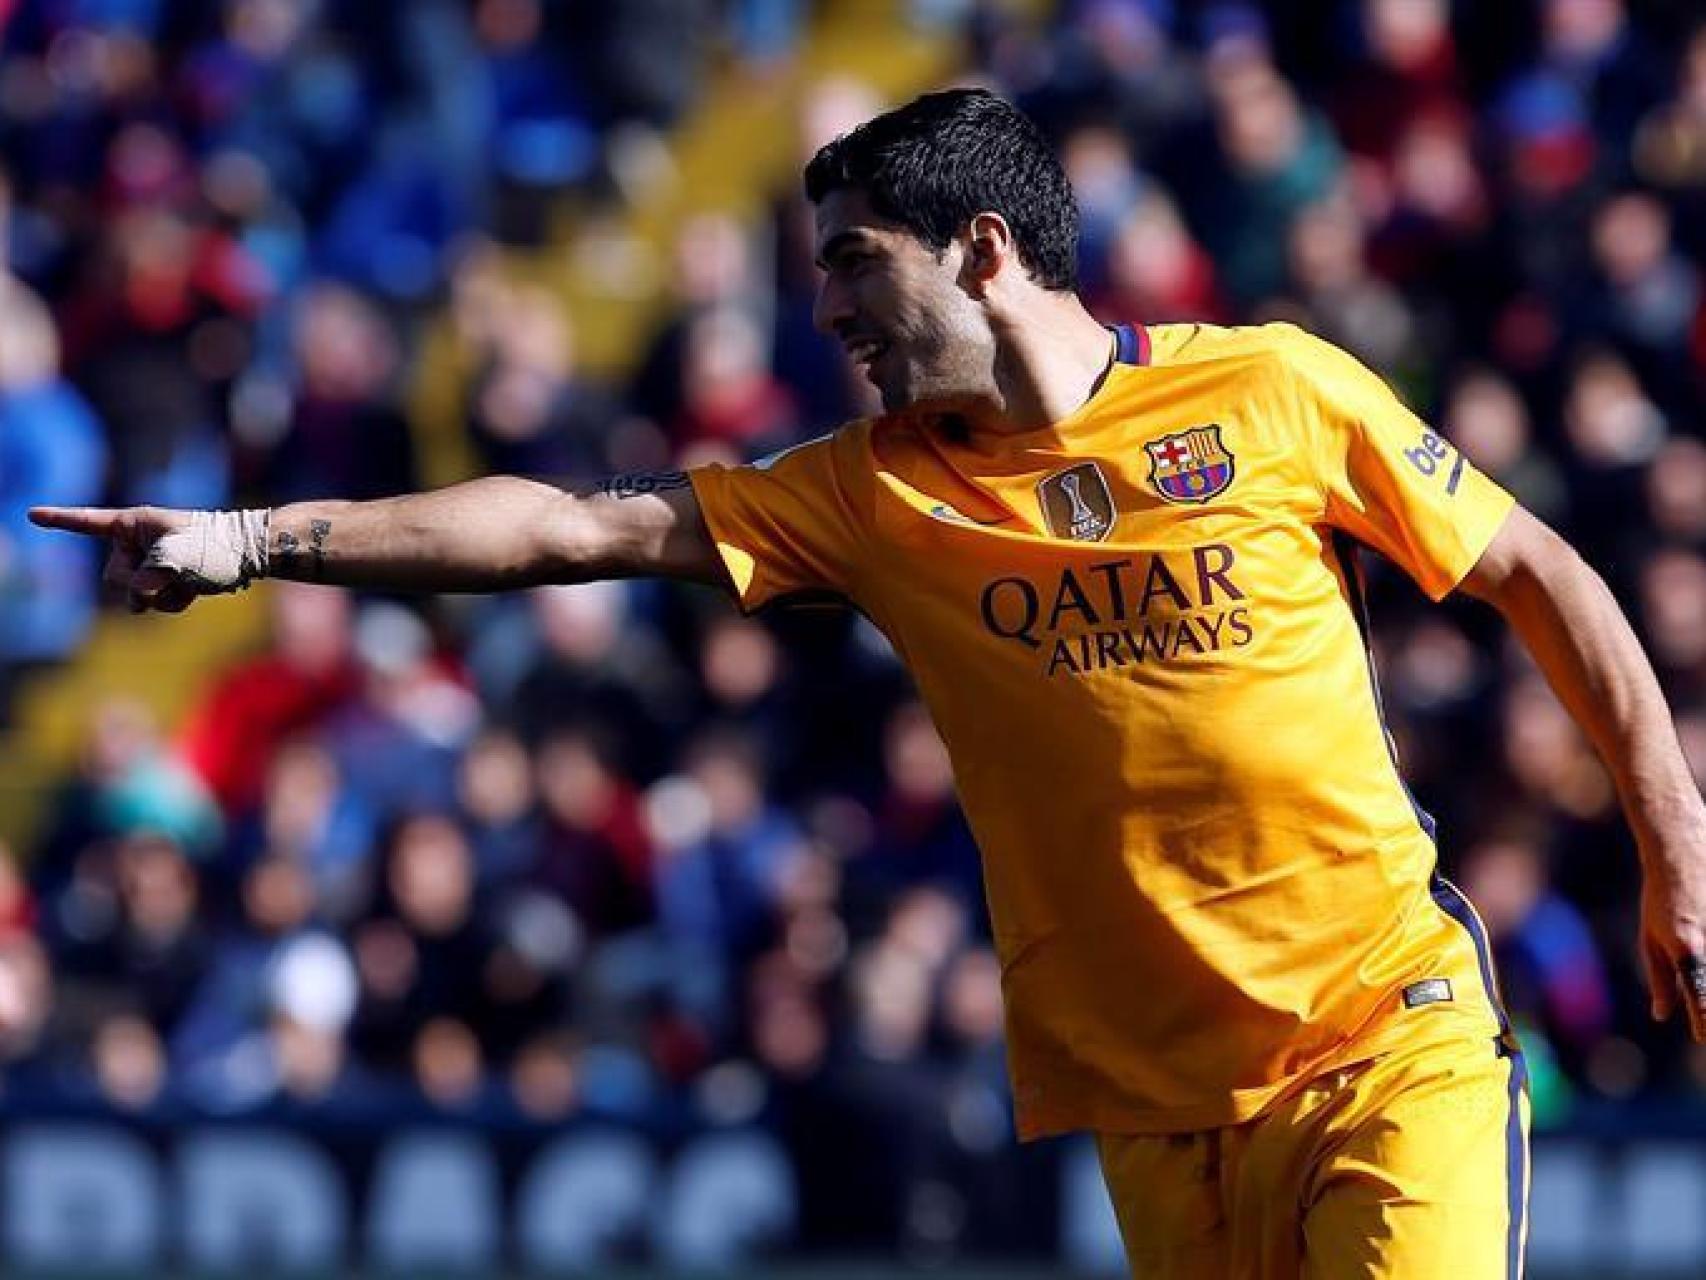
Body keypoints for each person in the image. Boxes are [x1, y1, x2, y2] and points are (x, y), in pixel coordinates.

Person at [32, 89, 1706, 1278]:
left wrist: (1674, 843)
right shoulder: (867, 488)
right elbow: (562, 528)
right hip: (1151, 1103)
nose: (822, 305)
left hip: (1379, 1037)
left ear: (982, 250)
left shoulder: (1272, 391)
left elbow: (1540, 575)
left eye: (851, 262)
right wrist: (255, 538)